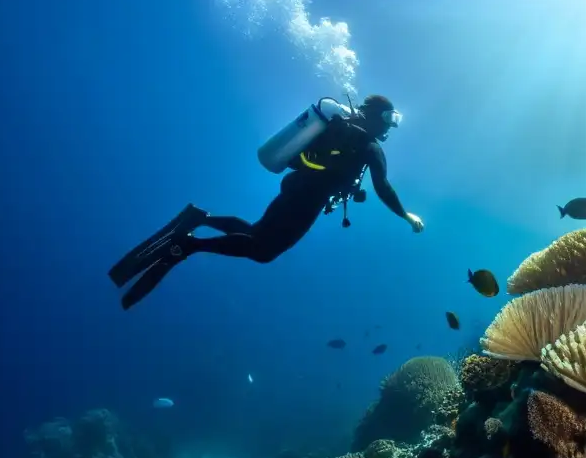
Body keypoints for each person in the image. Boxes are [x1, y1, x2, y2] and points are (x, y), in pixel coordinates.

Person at [109, 94, 424, 309]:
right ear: (376, 116)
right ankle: (188, 246)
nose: (389, 125)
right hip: (307, 201)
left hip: (293, 188)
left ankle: (201, 217)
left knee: (257, 231)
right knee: (263, 251)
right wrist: (406, 215)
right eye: (389, 118)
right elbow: (383, 187)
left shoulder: (337, 126)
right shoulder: (369, 145)